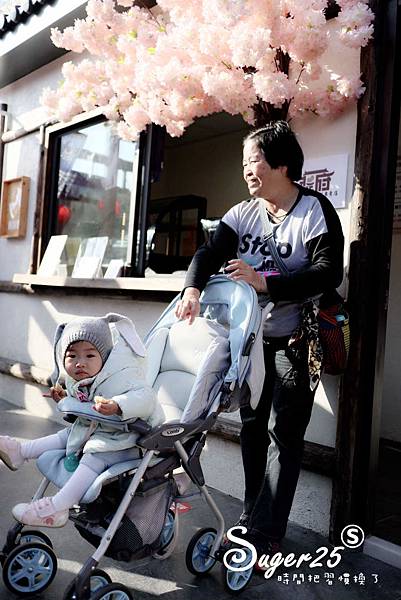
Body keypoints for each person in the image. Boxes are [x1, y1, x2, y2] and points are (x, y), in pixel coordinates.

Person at [175, 120, 344, 556]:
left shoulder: (314, 210)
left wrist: (265, 282)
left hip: (297, 341)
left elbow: (328, 272)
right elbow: (208, 253)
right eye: (245, 162)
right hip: (251, 341)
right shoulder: (242, 214)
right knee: (252, 428)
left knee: (284, 435)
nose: (247, 170)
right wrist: (192, 289)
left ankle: (268, 534)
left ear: (282, 164)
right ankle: (251, 518)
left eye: (254, 161)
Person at [0, 313, 163, 528]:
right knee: (64, 436)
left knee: (93, 457)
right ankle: (20, 452)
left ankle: (58, 507)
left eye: (89, 355)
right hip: (96, 430)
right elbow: (82, 400)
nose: (80, 363)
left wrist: (118, 405)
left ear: (105, 357)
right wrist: (64, 398)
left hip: (128, 439)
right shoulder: (80, 378)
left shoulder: (122, 375)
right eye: (72, 356)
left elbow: (146, 398)